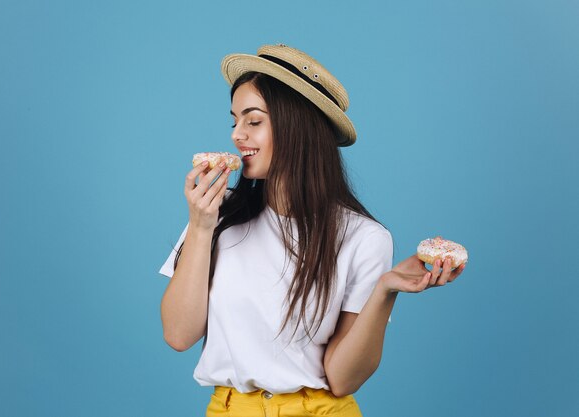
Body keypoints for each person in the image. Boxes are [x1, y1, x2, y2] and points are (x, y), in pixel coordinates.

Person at [159, 44, 466, 417]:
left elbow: (343, 379)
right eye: (234, 121)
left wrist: (385, 290)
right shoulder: (215, 214)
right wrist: (200, 226)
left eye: (253, 121)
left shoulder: (364, 238)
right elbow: (178, 335)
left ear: (298, 126)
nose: (237, 135)